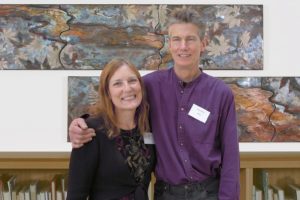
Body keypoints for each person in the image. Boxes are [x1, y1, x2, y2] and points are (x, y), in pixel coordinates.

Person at [68, 7, 240, 200]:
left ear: (204, 44)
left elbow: (231, 158)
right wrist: (80, 123)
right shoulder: (149, 86)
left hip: (209, 193)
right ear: (169, 44)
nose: (183, 46)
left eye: (190, 39)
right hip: (166, 194)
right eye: (176, 39)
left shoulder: (221, 94)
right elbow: (116, 105)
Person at [67, 58, 156, 200]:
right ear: (107, 92)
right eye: (117, 83)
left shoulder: (147, 126)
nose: (127, 88)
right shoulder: (89, 131)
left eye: (132, 81)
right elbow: (76, 195)